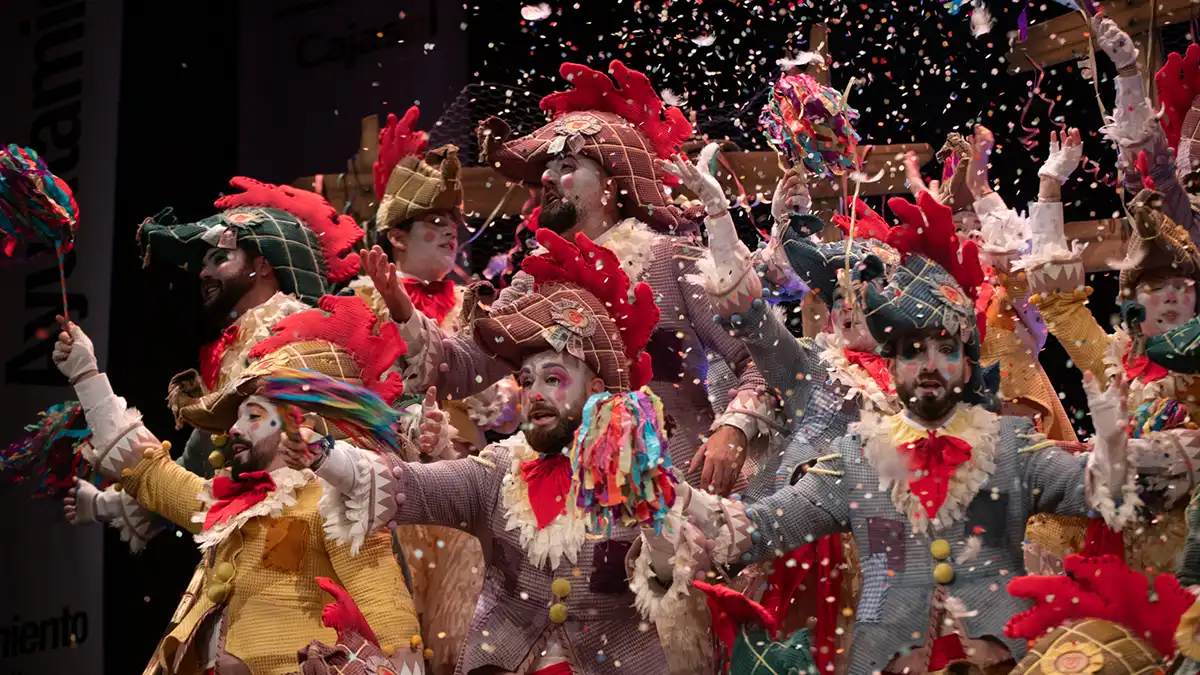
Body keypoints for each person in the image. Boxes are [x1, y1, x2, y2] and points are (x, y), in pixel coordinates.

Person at [681, 191, 1145, 674]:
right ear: (894, 362)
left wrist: (1118, 447)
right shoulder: (855, 454)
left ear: (969, 365)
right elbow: (767, 525)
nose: (927, 365)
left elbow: (1106, 489)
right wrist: (675, 502)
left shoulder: (1009, 444)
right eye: (909, 351)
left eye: (944, 349)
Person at [304, 229, 715, 675]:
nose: (534, 393)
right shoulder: (501, 467)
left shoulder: (635, 470)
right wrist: (323, 453)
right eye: (526, 380)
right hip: (500, 660)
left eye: (553, 379)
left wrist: (653, 520)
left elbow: (668, 575)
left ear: (596, 389)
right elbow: (410, 483)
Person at [372, 60, 776, 497]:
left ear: (610, 184)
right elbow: (461, 369)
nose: (547, 177)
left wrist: (733, 430)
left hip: (671, 499)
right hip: (567, 511)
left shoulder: (670, 259)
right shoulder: (535, 280)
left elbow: (762, 358)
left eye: (566, 164)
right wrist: (402, 310)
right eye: (547, 167)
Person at [52, 303, 425, 675]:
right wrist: (86, 374)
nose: (232, 429)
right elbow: (147, 470)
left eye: (254, 416)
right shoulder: (226, 504)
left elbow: (388, 615)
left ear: (303, 424)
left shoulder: (337, 504)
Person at [662, 145, 902, 673]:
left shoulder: (925, 385)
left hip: (890, 568)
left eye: (861, 289)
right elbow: (750, 317)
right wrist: (720, 217)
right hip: (793, 555)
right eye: (835, 291)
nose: (844, 302)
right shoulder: (812, 368)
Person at [64, 177, 373, 552]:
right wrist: (107, 504)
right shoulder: (242, 341)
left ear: (261, 264)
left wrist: (108, 502)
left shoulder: (291, 332)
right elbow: (209, 459)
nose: (204, 273)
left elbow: (209, 457)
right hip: (261, 531)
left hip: (305, 537)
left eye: (219, 258)